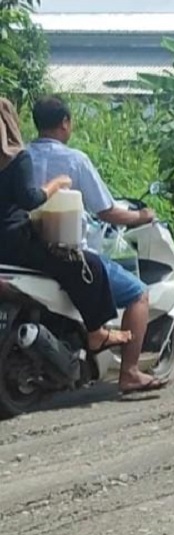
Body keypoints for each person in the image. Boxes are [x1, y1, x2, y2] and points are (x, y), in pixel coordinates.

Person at [27, 96, 166, 393]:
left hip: (28, 252)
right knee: (138, 294)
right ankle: (129, 371)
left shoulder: (21, 157)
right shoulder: (74, 160)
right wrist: (141, 215)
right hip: (70, 254)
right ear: (65, 122)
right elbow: (107, 211)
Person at [0, 97, 133, 355]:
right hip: (15, 243)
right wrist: (57, 184)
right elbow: (30, 199)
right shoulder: (16, 158)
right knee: (87, 265)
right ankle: (97, 333)